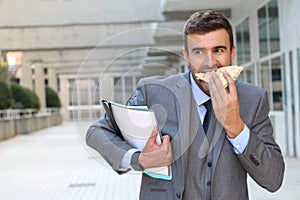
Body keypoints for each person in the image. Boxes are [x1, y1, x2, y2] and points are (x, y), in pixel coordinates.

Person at [86, 10, 285, 200]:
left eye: (219, 50)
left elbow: (273, 179)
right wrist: (139, 159)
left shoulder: (253, 99)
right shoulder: (154, 92)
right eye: (199, 51)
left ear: (232, 52)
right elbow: (97, 131)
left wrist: (236, 128)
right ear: (187, 56)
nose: (210, 63)